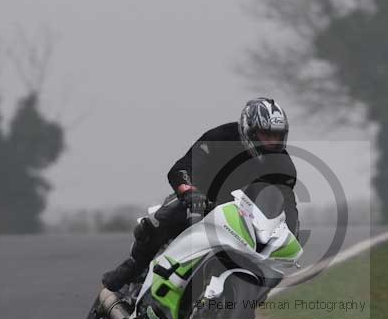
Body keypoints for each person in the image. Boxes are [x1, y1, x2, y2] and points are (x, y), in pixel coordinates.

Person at [102, 97, 299, 292]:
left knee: (268, 271)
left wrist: (290, 238)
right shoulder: (220, 137)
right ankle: (132, 267)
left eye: (278, 136)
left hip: (241, 219)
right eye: (266, 135)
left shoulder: (284, 166)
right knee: (161, 219)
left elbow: (287, 205)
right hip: (199, 202)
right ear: (249, 130)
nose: (273, 142)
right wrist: (189, 192)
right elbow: (181, 168)